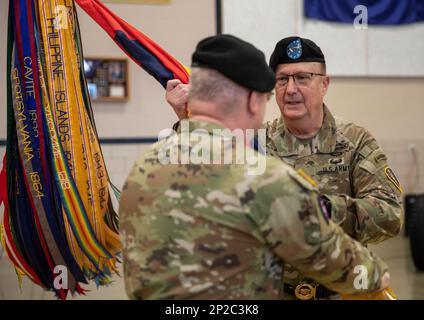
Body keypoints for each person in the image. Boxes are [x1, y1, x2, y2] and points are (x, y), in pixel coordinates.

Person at [120, 34, 390, 300]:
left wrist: (328, 207)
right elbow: (329, 255)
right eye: (281, 81)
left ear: (324, 84)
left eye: (303, 78)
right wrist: (374, 274)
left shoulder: (142, 167)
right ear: (253, 100)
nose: (291, 90)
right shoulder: (262, 163)